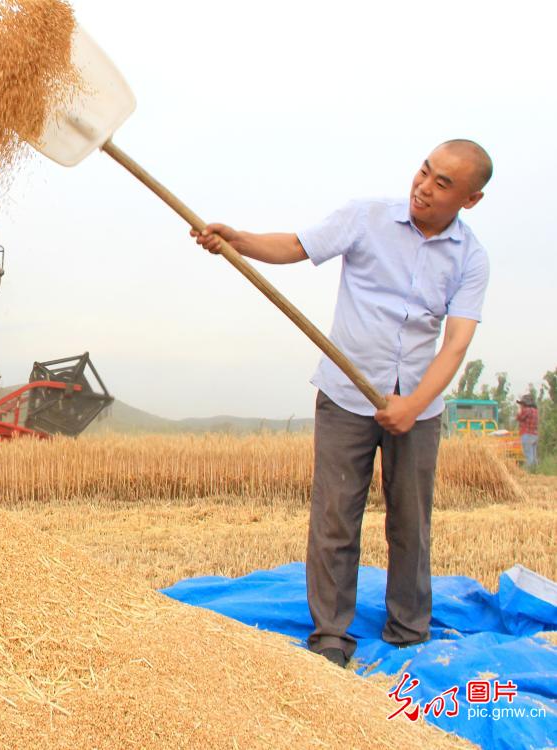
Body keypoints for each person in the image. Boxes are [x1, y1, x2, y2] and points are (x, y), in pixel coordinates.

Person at [192, 140, 492, 668]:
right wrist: (238, 240)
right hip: (346, 395)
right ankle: (331, 634)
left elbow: (457, 343)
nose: (424, 186)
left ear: (471, 200)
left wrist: (413, 404)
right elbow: (295, 246)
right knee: (335, 515)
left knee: (410, 522)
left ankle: (409, 629)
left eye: (443, 183)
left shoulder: (471, 258)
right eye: (424, 171)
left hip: (417, 410)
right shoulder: (366, 217)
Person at [516, 393, 539, 470]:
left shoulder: (526, 410)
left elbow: (519, 417)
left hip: (527, 434)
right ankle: (535, 471)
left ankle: (528, 472)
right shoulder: (535, 411)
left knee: (528, 455)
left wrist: (519, 410)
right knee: (534, 455)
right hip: (535, 434)